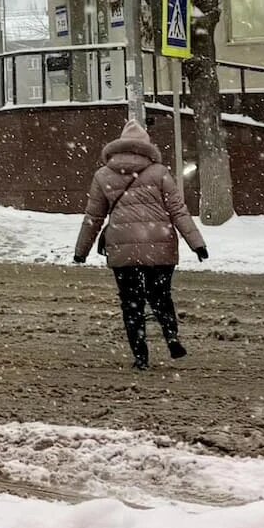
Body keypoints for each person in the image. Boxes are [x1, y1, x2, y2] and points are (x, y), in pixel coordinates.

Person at [74, 120, 208, 370]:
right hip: (160, 244)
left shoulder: (103, 175)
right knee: (161, 296)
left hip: (123, 248)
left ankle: (140, 356)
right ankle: (171, 337)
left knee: (131, 302)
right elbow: (178, 210)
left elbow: (94, 217)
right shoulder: (159, 172)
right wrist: (196, 243)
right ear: (145, 146)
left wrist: (81, 251)